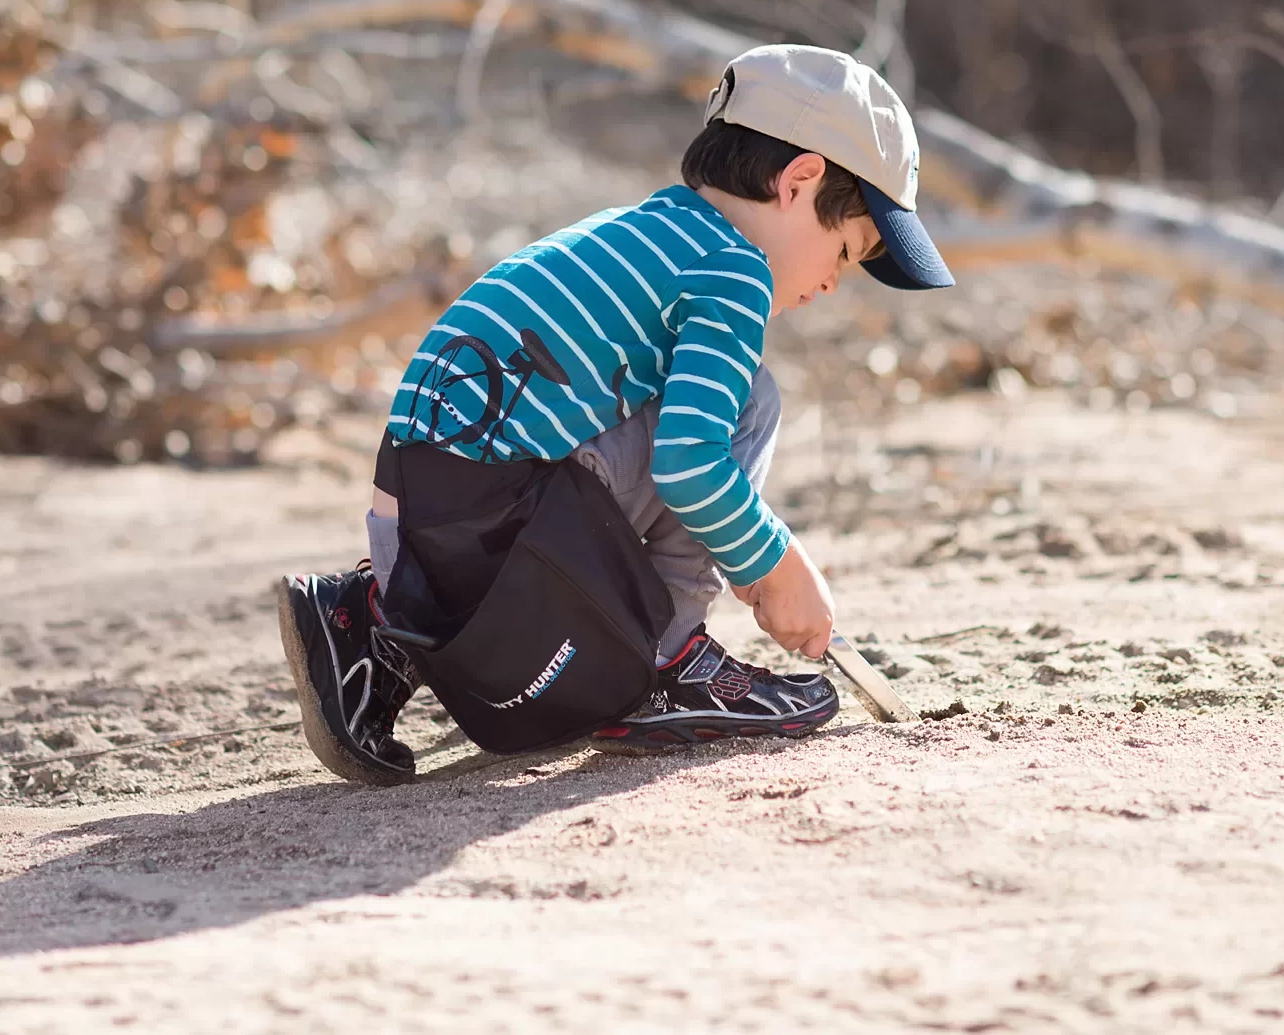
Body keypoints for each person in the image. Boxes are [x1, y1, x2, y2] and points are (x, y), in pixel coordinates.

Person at [278, 44, 954, 784]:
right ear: (799, 181)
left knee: (633, 409)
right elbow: (691, 461)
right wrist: (779, 564)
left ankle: (370, 627)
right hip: (497, 529)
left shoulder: (642, 230)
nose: (831, 283)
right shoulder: (732, 270)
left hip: (415, 529)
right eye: (847, 251)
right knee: (751, 400)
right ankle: (670, 657)